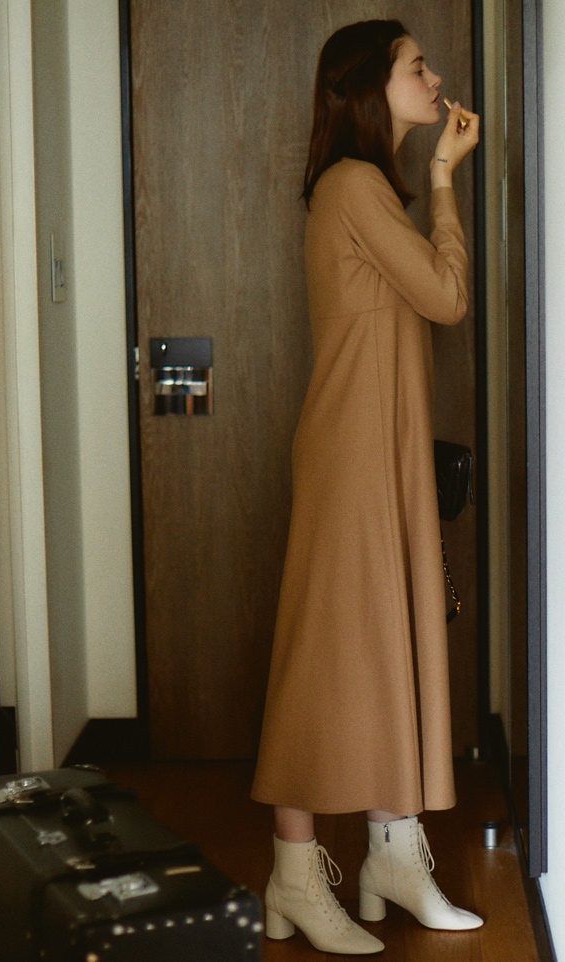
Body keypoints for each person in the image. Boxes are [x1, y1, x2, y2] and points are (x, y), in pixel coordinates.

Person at [251, 19, 482, 956]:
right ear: (368, 87)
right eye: (416, 67)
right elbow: (447, 298)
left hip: (378, 451)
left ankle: (391, 856)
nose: (434, 78)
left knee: (385, 647)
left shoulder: (361, 187)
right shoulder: (355, 186)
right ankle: (293, 875)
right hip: (353, 457)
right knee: (323, 661)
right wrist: (445, 182)